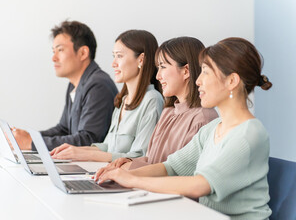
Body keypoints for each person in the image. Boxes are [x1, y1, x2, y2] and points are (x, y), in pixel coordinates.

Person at [95, 37, 272, 219]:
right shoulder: (211, 129)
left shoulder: (249, 133)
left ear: (232, 81)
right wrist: (119, 175)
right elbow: (170, 167)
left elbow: (200, 185)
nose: (198, 81)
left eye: (206, 72)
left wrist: (132, 180)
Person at [103, 37, 218, 171]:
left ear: (186, 71)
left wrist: (130, 169)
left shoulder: (203, 118)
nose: (158, 76)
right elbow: (152, 159)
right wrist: (128, 162)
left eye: (163, 67)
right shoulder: (168, 112)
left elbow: (177, 172)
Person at [50, 30, 164, 162]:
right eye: (113, 56)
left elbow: (140, 157)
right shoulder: (123, 101)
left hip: (126, 179)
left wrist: (87, 155)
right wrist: (75, 150)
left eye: (119, 56)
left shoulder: (152, 100)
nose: (113, 64)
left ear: (141, 60)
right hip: (107, 172)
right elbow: (108, 147)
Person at [12, 20, 118, 151]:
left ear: (83, 53)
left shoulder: (98, 85)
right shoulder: (74, 84)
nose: (54, 58)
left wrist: (33, 143)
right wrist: (29, 137)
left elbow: (89, 140)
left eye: (60, 50)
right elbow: (64, 129)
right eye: (53, 51)